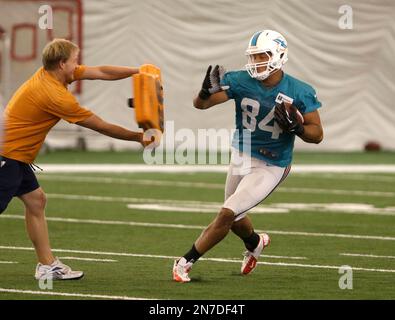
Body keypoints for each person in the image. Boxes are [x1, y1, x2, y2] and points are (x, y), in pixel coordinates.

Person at [173, 30, 323, 282]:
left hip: (273, 163)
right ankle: (255, 243)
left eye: (262, 56)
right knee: (235, 218)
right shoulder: (241, 80)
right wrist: (204, 92)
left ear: (279, 56)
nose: (256, 63)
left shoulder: (300, 90)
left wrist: (297, 128)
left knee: (227, 212)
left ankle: (184, 262)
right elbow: (201, 105)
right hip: (242, 155)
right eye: (253, 57)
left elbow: (317, 134)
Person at [0, 38, 149, 280]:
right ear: (62, 64)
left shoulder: (51, 74)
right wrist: (139, 138)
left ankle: (47, 265)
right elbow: (100, 126)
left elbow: (100, 72)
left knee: (36, 201)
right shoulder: (54, 96)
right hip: (6, 156)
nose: (78, 65)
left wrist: (138, 71)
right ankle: (47, 265)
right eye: (74, 61)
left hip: (16, 155)